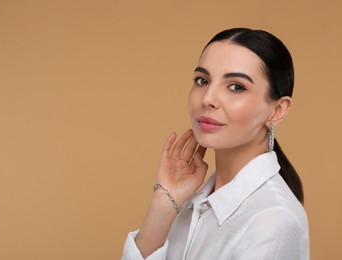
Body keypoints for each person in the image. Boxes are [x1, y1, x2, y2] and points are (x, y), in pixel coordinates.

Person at [122, 28, 309, 260]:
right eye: (202, 80)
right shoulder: (193, 203)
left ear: (277, 110)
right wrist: (164, 201)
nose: (208, 98)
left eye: (236, 87)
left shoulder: (274, 220)